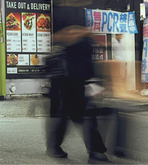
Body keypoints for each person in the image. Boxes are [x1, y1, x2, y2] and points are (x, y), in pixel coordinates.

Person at [45, 25, 108, 163]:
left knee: (77, 115)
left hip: (78, 80)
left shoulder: (84, 40)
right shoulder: (68, 35)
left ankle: (94, 151)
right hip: (67, 81)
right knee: (73, 115)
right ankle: (94, 151)